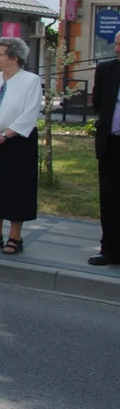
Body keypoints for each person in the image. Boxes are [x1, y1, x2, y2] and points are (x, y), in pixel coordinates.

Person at [0, 37, 42, 256]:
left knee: (18, 188)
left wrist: (3, 135)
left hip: (18, 143)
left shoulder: (31, 81)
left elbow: (30, 113)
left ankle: (15, 236)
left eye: (0, 53)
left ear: (14, 57)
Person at [90, 30, 120, 265]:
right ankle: (109, 249)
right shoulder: (107, 69)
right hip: (111, 144)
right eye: (116, 44)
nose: (117, 48)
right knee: (109, 199)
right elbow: (98, 103)